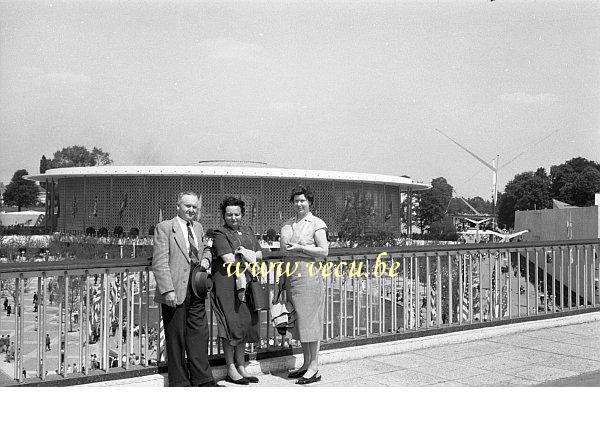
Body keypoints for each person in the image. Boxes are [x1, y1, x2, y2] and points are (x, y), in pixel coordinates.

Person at [153, 191, 218, 387]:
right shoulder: (165, 228)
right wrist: (167, 291)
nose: (191, 210)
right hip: (175, 290)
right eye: (187, 206)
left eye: (194, 207)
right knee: (176, 339)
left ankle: (203, 380)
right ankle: (180, 383)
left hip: (196, 288)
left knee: (199, 335)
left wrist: (207, 259)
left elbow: (206, 248)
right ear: (178, 206)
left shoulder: (197, 227)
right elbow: (160, 262)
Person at [279, 185, 329, 385]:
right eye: (296, 200)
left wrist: (301, 247)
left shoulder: (316, 223)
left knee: (310, 323)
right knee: (300, 323)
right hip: (292, 276)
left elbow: (324, 251)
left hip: (308, 276)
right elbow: (284, 252)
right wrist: (283, 277)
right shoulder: (288, 223)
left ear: (310, 203)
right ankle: (306, 363)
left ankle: (314, 367)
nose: (299, 204)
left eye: (303, 201)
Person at [211, 196, 262, 385]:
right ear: (224, 215)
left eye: (237, 214)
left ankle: (241, 366)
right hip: (226, 286)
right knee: (229, 324)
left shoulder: (247, 230)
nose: (233, 218)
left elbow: (259, 253)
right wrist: (247, 256)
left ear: (242, 214)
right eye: (229, 214)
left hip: (245, 284)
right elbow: (229, 260)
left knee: (243, 324)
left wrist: (243, 253)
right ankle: (230, 367)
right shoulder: (219, 233)